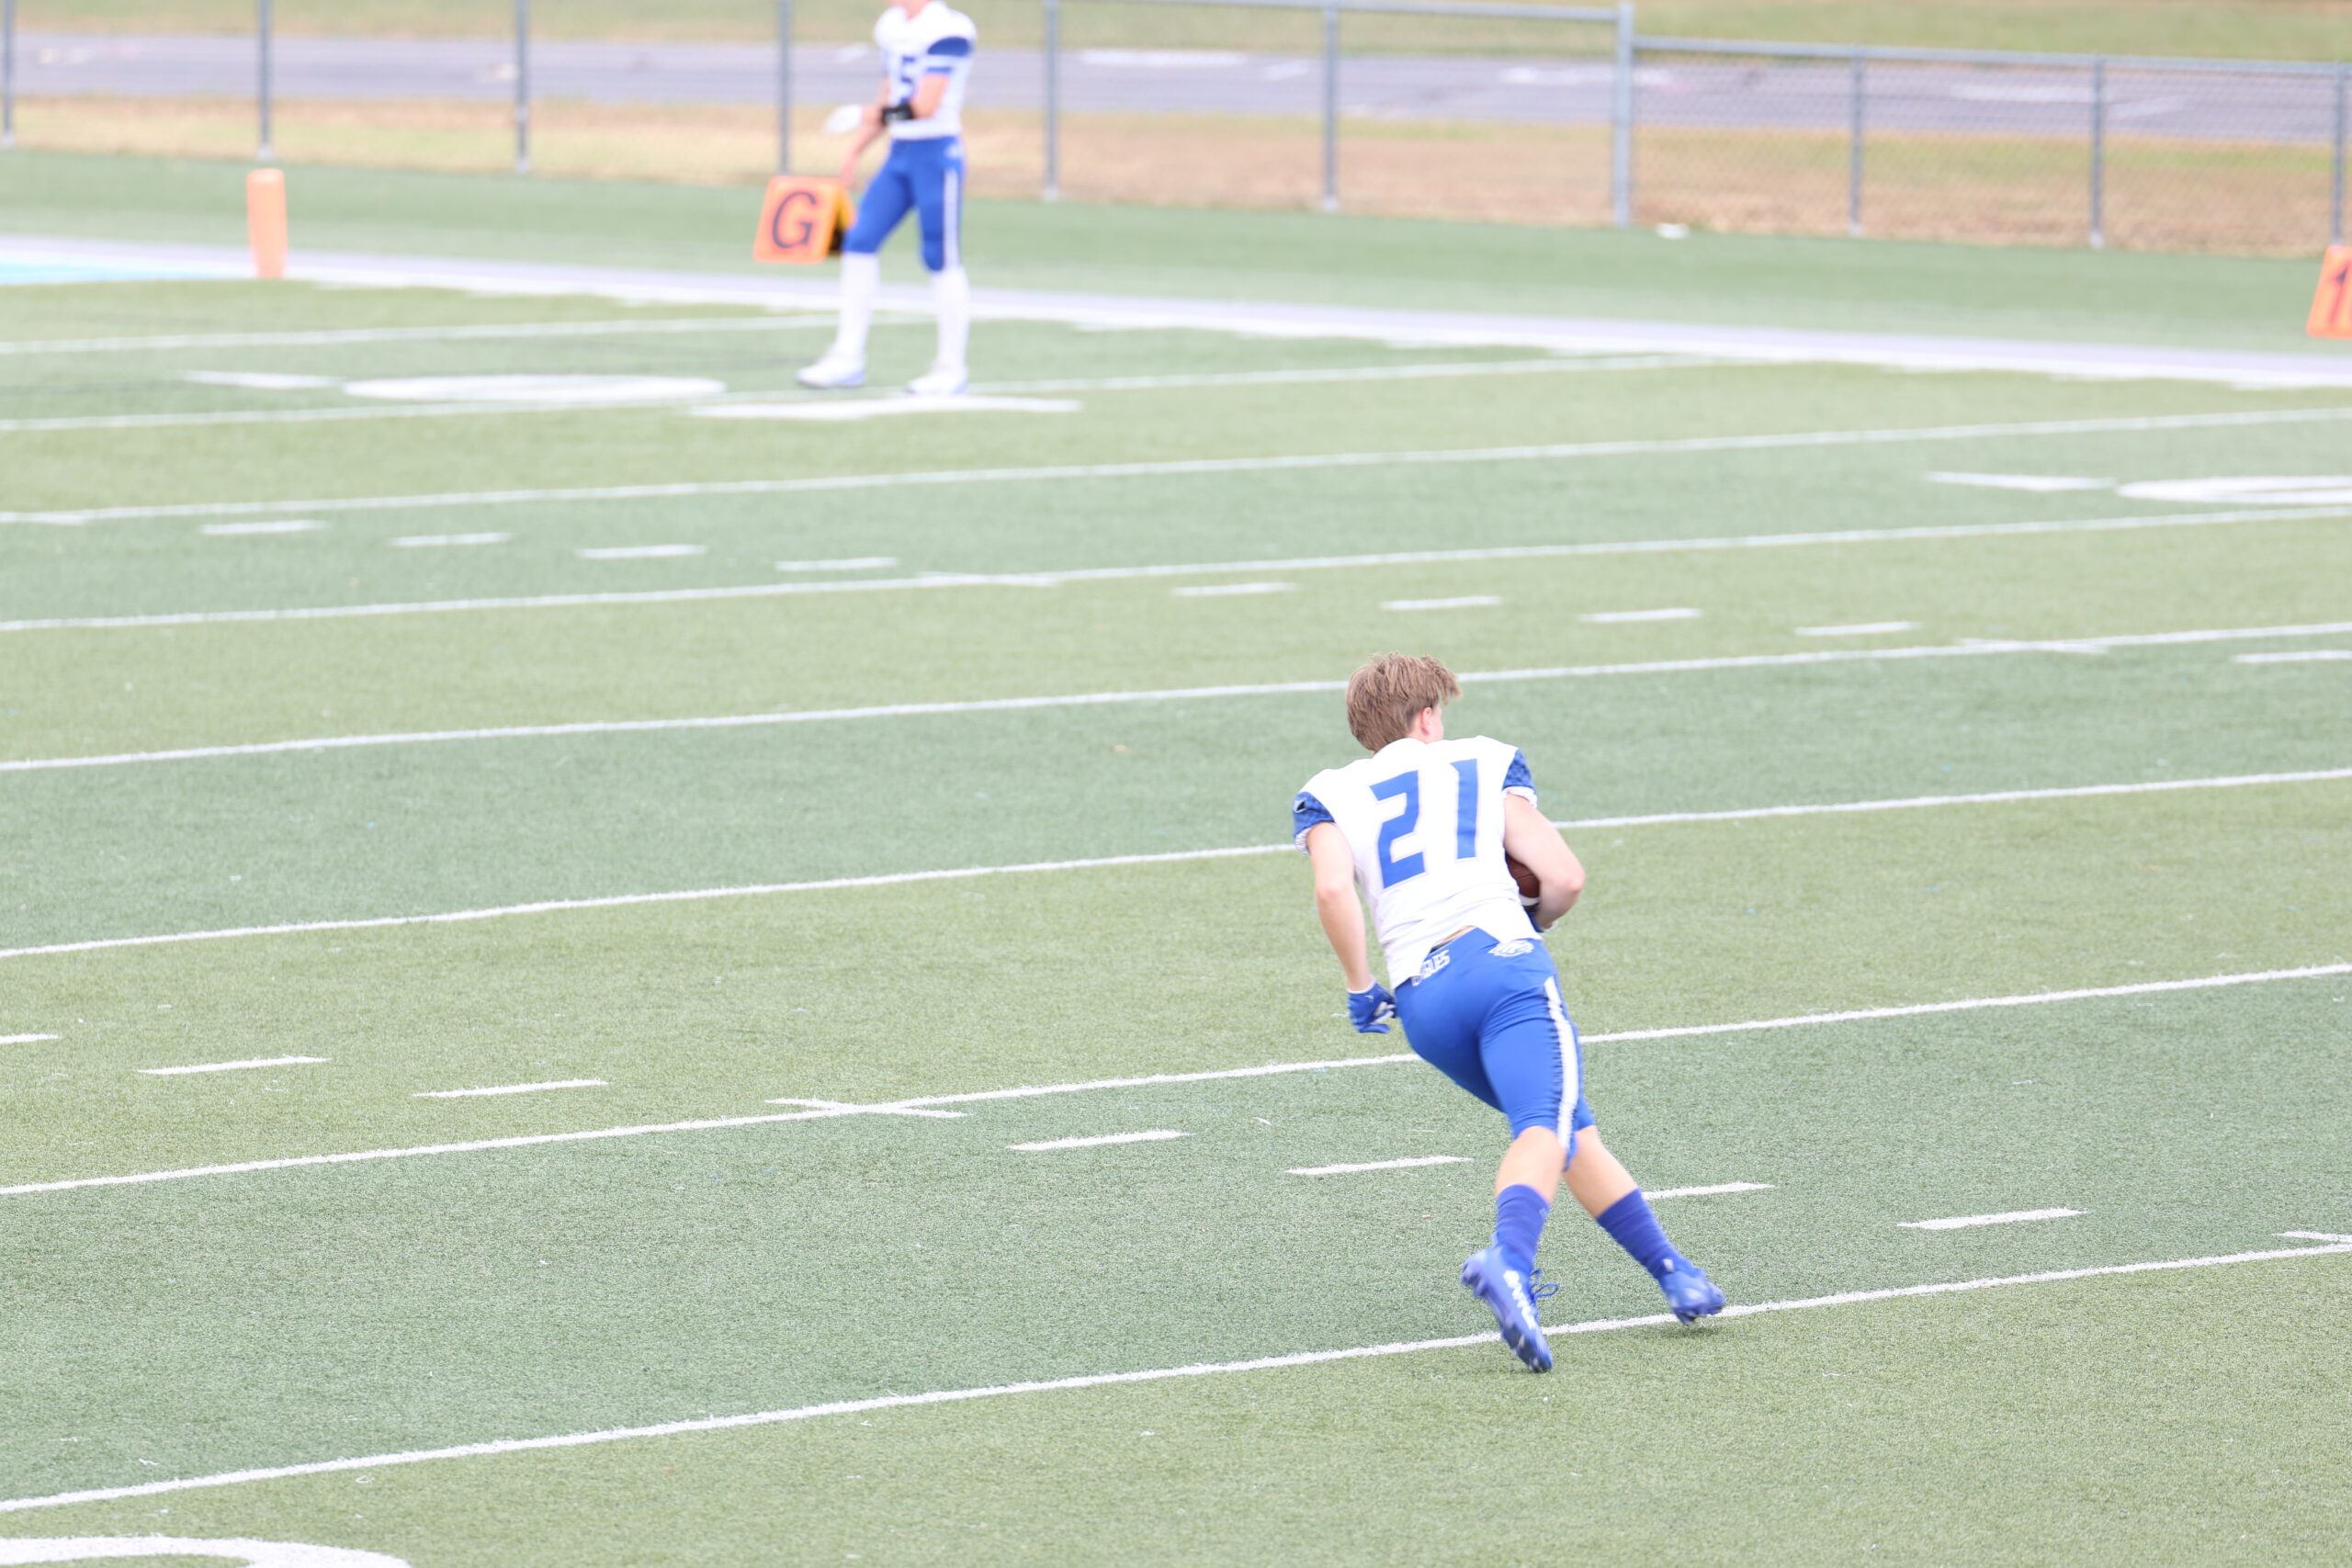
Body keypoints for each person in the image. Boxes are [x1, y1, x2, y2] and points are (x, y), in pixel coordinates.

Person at [1293, 654, 1725, 1372]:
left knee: (1565, 1127)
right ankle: (1510, 1260)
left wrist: (1360, 984)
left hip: (1423, 1001)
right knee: (1542, 1126)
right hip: (1502, 968)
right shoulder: (1483, 760)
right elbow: (1565, 876)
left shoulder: (1328, 791)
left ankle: (1673, 1271)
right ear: (1427, 716)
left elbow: (1334, 890)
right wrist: (1536, 919)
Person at [797, 0, 976, 396]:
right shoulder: (892, 25)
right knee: (859, 241)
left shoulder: (949, 29)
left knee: (940, 255)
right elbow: (889, 98)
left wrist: (865, 115)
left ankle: (951, 366)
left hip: (936, 154)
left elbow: (925, 107)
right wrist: (857, 147)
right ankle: (847, 357)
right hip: (900, 154)